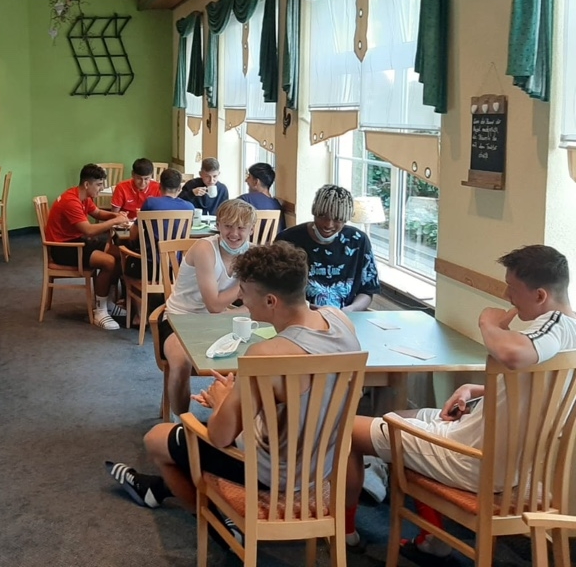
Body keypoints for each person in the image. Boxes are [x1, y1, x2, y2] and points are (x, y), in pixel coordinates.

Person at [343, 245, 576, 558]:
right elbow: (536, 391)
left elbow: (512, 355)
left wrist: (488, 323)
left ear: (540, 295)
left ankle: (346, 534)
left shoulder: (555, 325)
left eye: (512, 288)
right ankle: (432, 538)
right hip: (517, 465)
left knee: (347, 430)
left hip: (473, 461)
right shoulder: (568, 334)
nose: (507, 296)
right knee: (402, 414)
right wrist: (475, 389)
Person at [106, 241, 361, 520]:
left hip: (271, 471)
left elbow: (220, 436)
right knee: (194, 445)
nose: (242, 300)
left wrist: (221, 400)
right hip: (322, 462)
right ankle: (158, 489)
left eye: (244, 292)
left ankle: (219, 522)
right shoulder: (339, 320)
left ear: (270, 301)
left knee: (156, 439)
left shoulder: (266, 355)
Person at [154, 199, 255, 420]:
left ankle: (237, 420)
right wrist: (245, 283)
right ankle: (183, 423)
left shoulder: (253, 253)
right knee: (181, 363)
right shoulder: (204, 249)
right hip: (180, 319)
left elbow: (258, 301)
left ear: (251, 229)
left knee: (260, 356)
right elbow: (214, 305)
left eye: (241, 227)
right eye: (228, 226)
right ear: (218, 225)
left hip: (220, 320)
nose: (234, 233)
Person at [45, 164, 130, 331]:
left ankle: (106, 302)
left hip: (76, 242)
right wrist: (115, 221)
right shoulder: (71, 201)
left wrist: (116, 215)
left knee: (121, 254)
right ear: (86, 184)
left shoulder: (82, 196)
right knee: (108, 262)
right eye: (99, 184)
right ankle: (100, 311)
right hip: (63, 248)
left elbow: (97, 213)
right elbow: (89, 230)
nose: (102, 188)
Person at [276, 184, 379, 311]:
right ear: (314, 212)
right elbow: (273, 287)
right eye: (322, 216)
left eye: (337, 219)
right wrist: (309, 308)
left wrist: (351, 309)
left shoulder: (358, 241)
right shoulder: (288, 240)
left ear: (346, 218)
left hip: (345, 316)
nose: (328, 224)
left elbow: (368, 290)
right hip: (299, 314)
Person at [238, 162, 285, 232]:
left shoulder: (244, 200)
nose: (246, 180)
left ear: (256, 182)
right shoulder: (277, 205)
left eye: (249, 177)